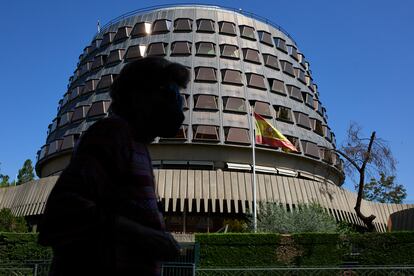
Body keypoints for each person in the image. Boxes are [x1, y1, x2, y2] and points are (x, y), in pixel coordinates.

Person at [38, 57, 190, 275]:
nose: (178, 106)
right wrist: (145, 236)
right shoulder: (112, 135)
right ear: (140, 96)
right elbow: (63, 211)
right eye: (169, 94)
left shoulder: (137, 146)